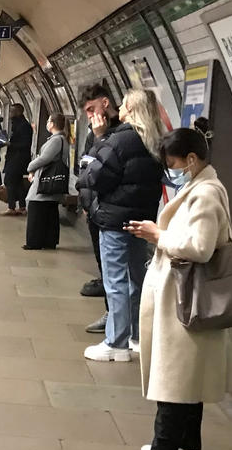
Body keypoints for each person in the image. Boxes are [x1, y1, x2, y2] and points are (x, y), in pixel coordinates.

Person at [121, 128, 232, 450]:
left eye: (173, 163)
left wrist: (157, 235)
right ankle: (189, 446)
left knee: (173, 380)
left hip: (187, 303)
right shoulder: (201, 187)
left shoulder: (205, 194)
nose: (171, 170)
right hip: (186, 300)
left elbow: (200, 248)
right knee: (189, 377)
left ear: (191, 159)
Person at [77, 88, 164, 362]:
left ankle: (116, 343)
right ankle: (136, 336)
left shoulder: (119, 139)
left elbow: (94, 175)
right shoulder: (155, 141)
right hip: (142, 221)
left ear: (132, 109)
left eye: (124, 105)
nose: (121, 109)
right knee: (136, 278)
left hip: (115, 220)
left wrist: (99, 139)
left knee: (115, 281)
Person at [77, 83, 120, 331]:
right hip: (95, 209)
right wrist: (85, 201)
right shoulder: (93, 134)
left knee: (118, 272)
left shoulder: (120, 133)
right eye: (87, 112)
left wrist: (101, 137)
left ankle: (117, 321)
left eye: (92, 109)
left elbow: (104, 170)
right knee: (104, 265)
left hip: (112, 209)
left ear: (105, 103)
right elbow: (86, 166)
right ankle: (111, 314)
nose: (90, 115)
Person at [22, 112, 70, 249]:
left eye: (48, 121)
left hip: (45, 181)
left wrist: (30, 167)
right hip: (52, 181)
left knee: (36, 209)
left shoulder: (56, 140)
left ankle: (34, 242)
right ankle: (49, 241)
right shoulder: (62, 139)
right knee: (50, 212)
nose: (47, 123)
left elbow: (45, 158)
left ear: (52, 124)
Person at [0, 103, 32, 216]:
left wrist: (10, 144)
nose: (10, 113)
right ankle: (22, 207)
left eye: (12, 111)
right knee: (18, 183)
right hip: (16, 158)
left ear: (18, 112)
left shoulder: (24, 126)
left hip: (18, 159)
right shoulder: (18, 124)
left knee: (10, 181)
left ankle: (11, 207)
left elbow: (25, 144)